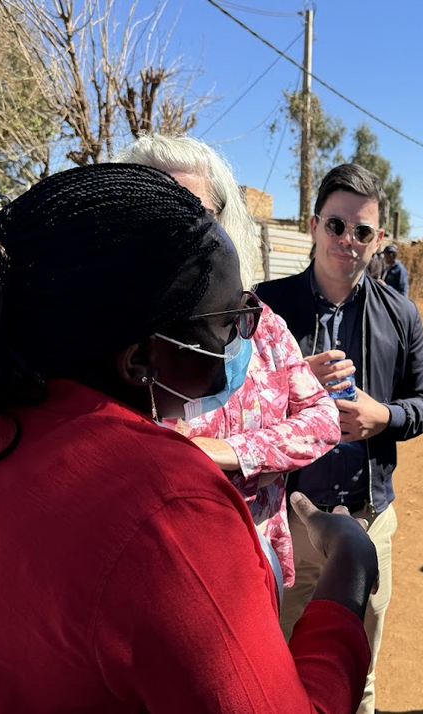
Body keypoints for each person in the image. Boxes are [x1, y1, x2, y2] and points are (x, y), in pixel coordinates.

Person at [0, 164, 378, 713]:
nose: (246, 333)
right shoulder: (164, 505)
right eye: (227, 321)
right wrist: (348, 572)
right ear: (142, 357)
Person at [115, 135, 340, 591]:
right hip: (160, 573)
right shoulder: (112, 341)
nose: (176, 233)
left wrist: (235, 452)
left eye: (194, 215)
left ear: (222, 221)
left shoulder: (260, 323)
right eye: (157, 213)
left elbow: (322, 420)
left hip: (258, 563)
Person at [255, 163, 423, 714]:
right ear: (314, 226)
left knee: (359, 674)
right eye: (337, 226)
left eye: (362, 232)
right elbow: (231, 404)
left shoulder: (400, 313)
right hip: (286, 521)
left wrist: (383, 416)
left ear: (378, 239)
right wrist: (288, 382)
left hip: (367, 521)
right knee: (279, 665)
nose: (347, 241)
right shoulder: (265, 305)